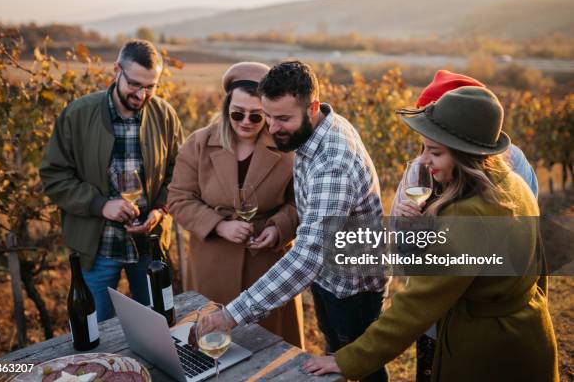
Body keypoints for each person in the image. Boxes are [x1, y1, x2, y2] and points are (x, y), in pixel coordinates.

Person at [304, 86, 559, 382]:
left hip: (487, 353)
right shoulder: (513, 185)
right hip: (530, 335)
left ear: (467, 157)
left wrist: (350, 359)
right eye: (424, 148)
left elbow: (415, 305)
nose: (424, 160)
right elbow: (539, 270)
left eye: (435, 152)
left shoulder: (468, 216)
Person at [202, 60, 390, 382]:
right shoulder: (321, 125)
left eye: (283, 118)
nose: (272, 128)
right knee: (337, 358)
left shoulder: (333, 164)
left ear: (312, 107)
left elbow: (307, 258)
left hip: (352, 288)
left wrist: (232, 315)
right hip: (330, 276)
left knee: (361, 368)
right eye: (269, 116)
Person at [390, 69, 539, 382]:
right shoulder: (421, 168)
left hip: (477, 320)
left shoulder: (511, 175)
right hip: (440, 318)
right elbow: (402, 247)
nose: (425, 156)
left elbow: (514, 249)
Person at [40, 40, 184, 321]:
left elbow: (180, 173)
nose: (142, 94)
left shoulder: (165, 115)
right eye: (135, 84)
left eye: (151, 86)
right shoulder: (78, 114)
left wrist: (160, 209)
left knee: (159, 323)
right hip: (97, 247)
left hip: (148, 243)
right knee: (95, 331)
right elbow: (54, 175)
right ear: (116, 70)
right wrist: (100, 205)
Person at [167, 62, 304, 348]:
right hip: (212, 265)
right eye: (237, 113)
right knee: (212, 347)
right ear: (226, 107)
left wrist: (279, 229)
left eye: (256, 117)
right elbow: (178, 198)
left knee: (269, 348)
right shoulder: (199, 144)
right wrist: (219, 225)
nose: (245, 122)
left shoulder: (289, 148)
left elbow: (299, 202)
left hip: (267, 267)